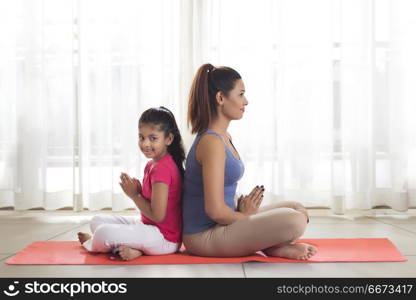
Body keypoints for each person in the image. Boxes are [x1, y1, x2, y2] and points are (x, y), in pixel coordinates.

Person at [182, 63, 318, 259]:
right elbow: (214, 210)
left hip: (226, 223)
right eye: (240, 94)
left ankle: (271, 246)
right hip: (205, 236)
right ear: (221, 98)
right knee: (295, 221)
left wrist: (243, 207)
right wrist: (246, 216)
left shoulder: (224, 137)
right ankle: (273, 246)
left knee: (296, 207)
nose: (246, 101)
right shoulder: (212, 142)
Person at [77, 106, 185, 261]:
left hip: (164, 238)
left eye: (153, 138)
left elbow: (158, 215)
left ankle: (94, 243)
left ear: (168, 139)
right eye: (141, 137)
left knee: (102, 233)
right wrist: (139, 192)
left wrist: (135, 195)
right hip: (147, 226)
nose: (145, 143)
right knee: (97, 221)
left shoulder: (163, 168)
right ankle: (136, 249)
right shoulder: (152, 164)